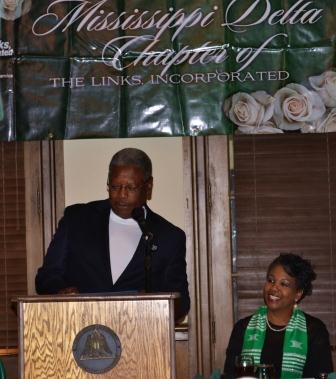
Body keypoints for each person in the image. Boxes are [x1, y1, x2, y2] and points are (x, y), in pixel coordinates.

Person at [35, 147, 190, 321]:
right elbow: (46, 277)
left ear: (149, 186)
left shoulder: (169, 237)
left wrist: (153, 302)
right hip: (80, 330)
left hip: (141, 337)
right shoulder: (77, 219)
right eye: (115, 186)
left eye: (131, 187)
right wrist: (61, 291)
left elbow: (181, 304)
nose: (122, 195)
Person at [223, 253, 333, 379]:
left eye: (284, 284)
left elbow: (321, 376)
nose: (274, 288)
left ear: (298, 294)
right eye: (271, 280)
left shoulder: (314, 330)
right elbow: (229, 375)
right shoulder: (242, 328)